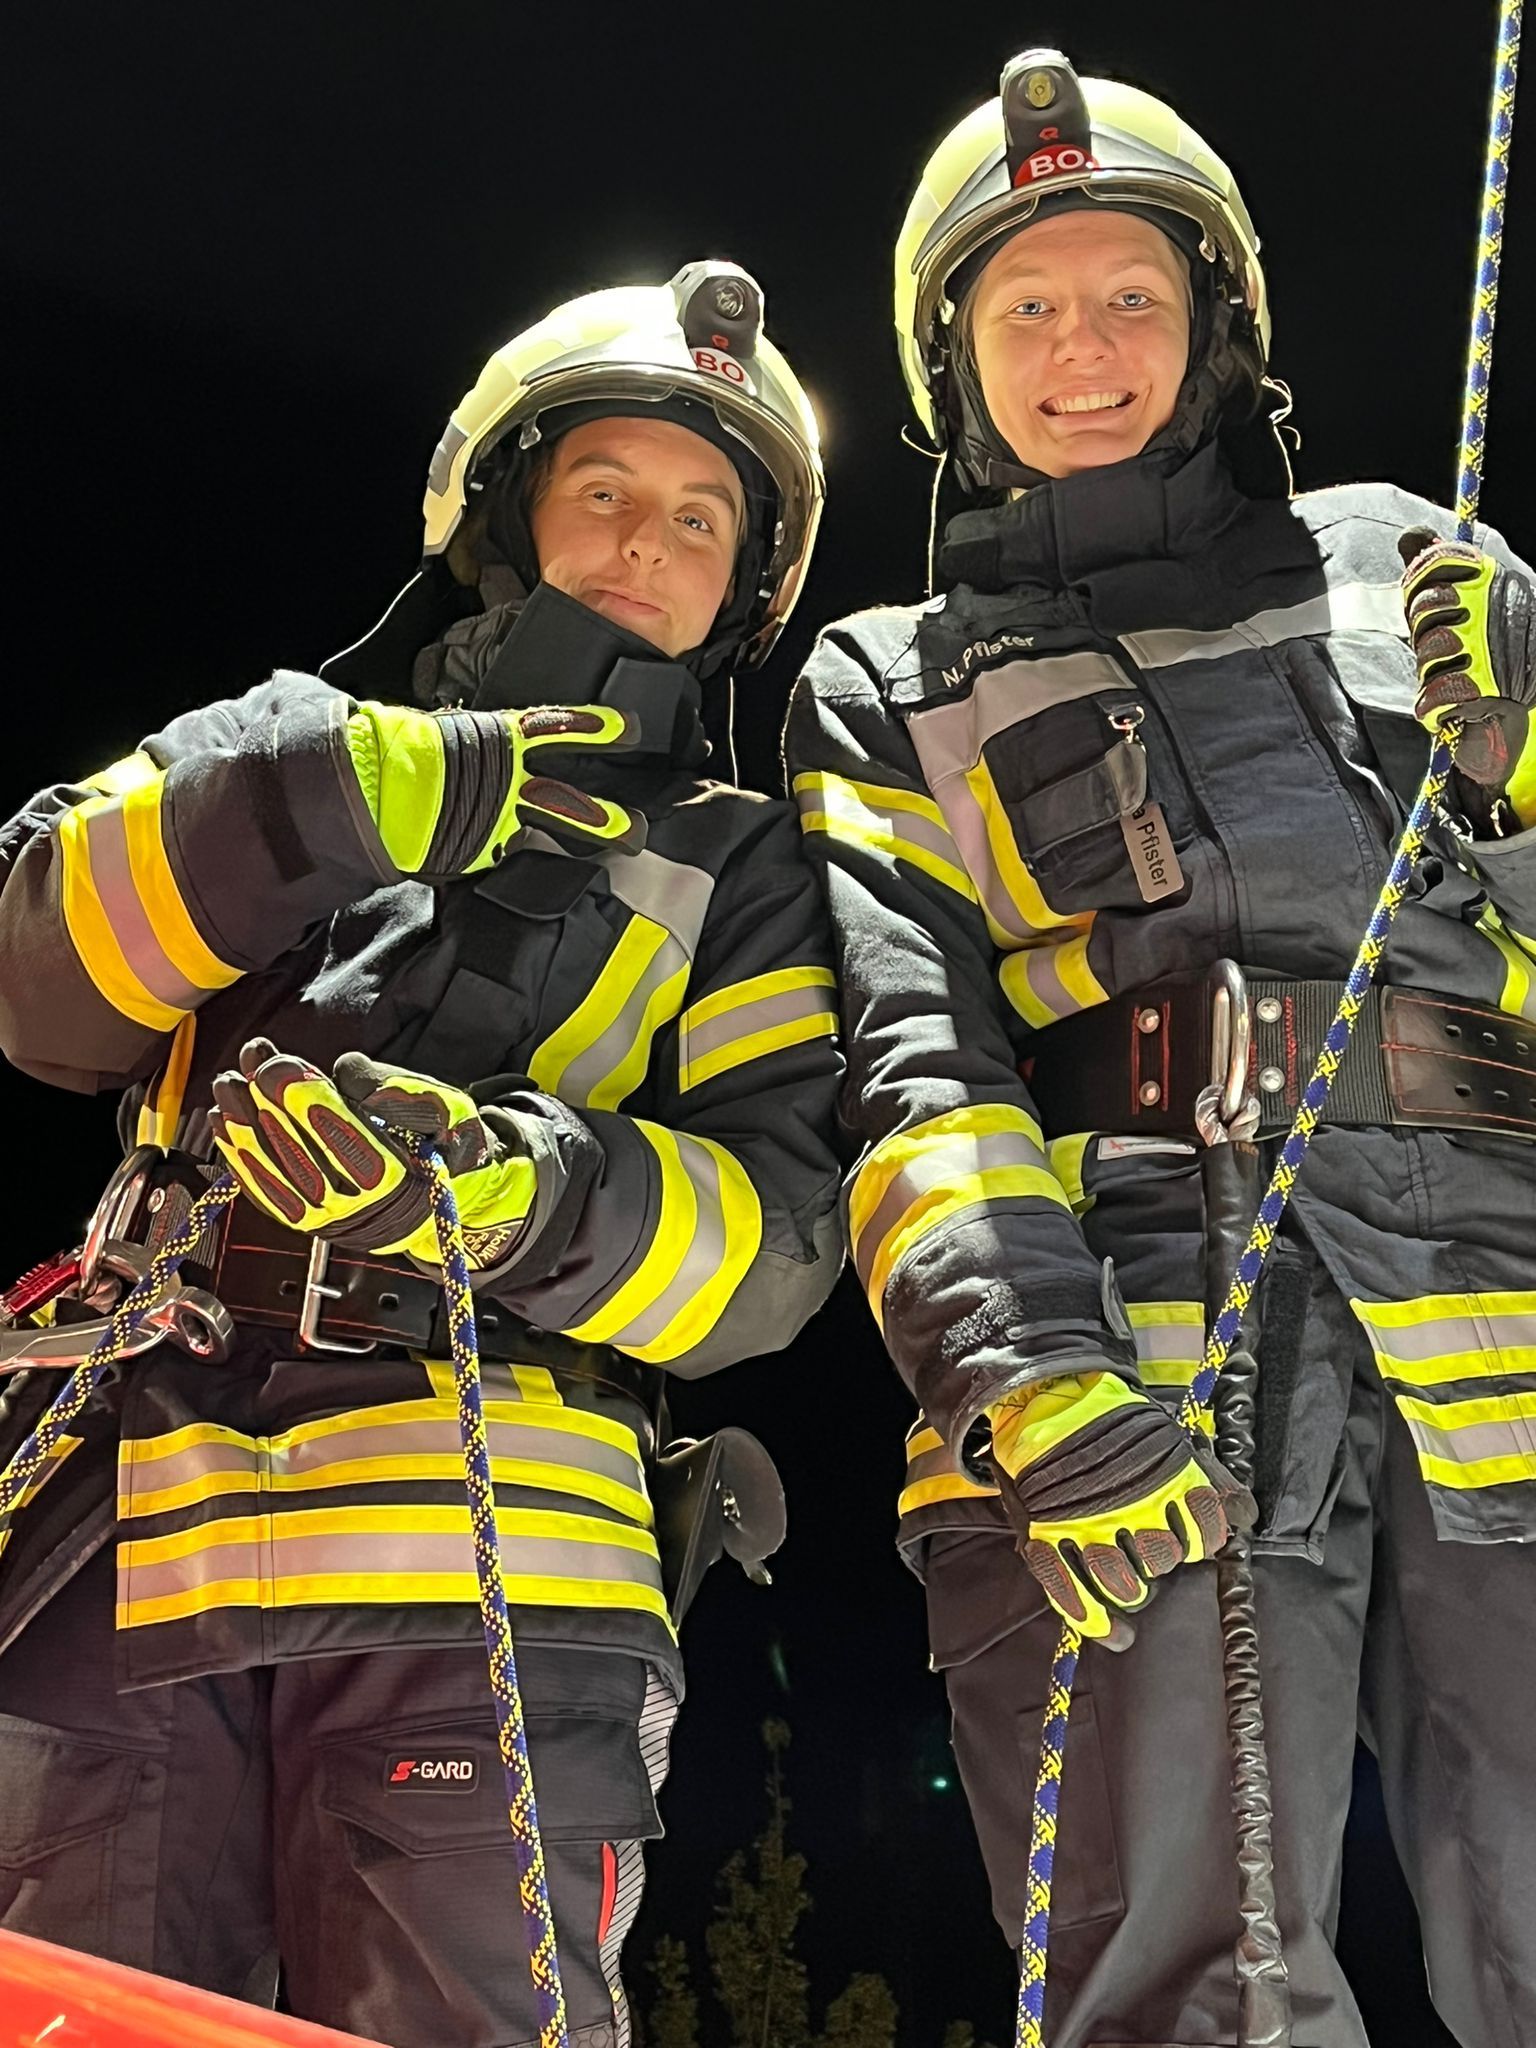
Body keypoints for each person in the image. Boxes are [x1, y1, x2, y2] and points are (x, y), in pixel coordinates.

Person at [0, 261, 843, 2048]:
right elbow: (40, 986)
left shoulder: (745, 867)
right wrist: (341, 799)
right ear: (503, 510)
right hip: (129, 1545)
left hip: (489, 1579)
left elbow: (774, 1243)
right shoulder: (283, 743)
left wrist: (504, 1191)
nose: (647, 540)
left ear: (740, 589)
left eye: (702, 517)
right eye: (604, 487)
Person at [787, 49, 1536, 2048]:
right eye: (1027, 307)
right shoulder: (889, 683)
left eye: (1132, 294)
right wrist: (1028, 1380)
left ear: (1219, 324)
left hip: (1505, 1306)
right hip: (1150, 1356)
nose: (1085, 348)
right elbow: (914, 1061)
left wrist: (1519, 776)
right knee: (1198, 1989)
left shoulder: (1411, 559)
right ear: (954, 364)